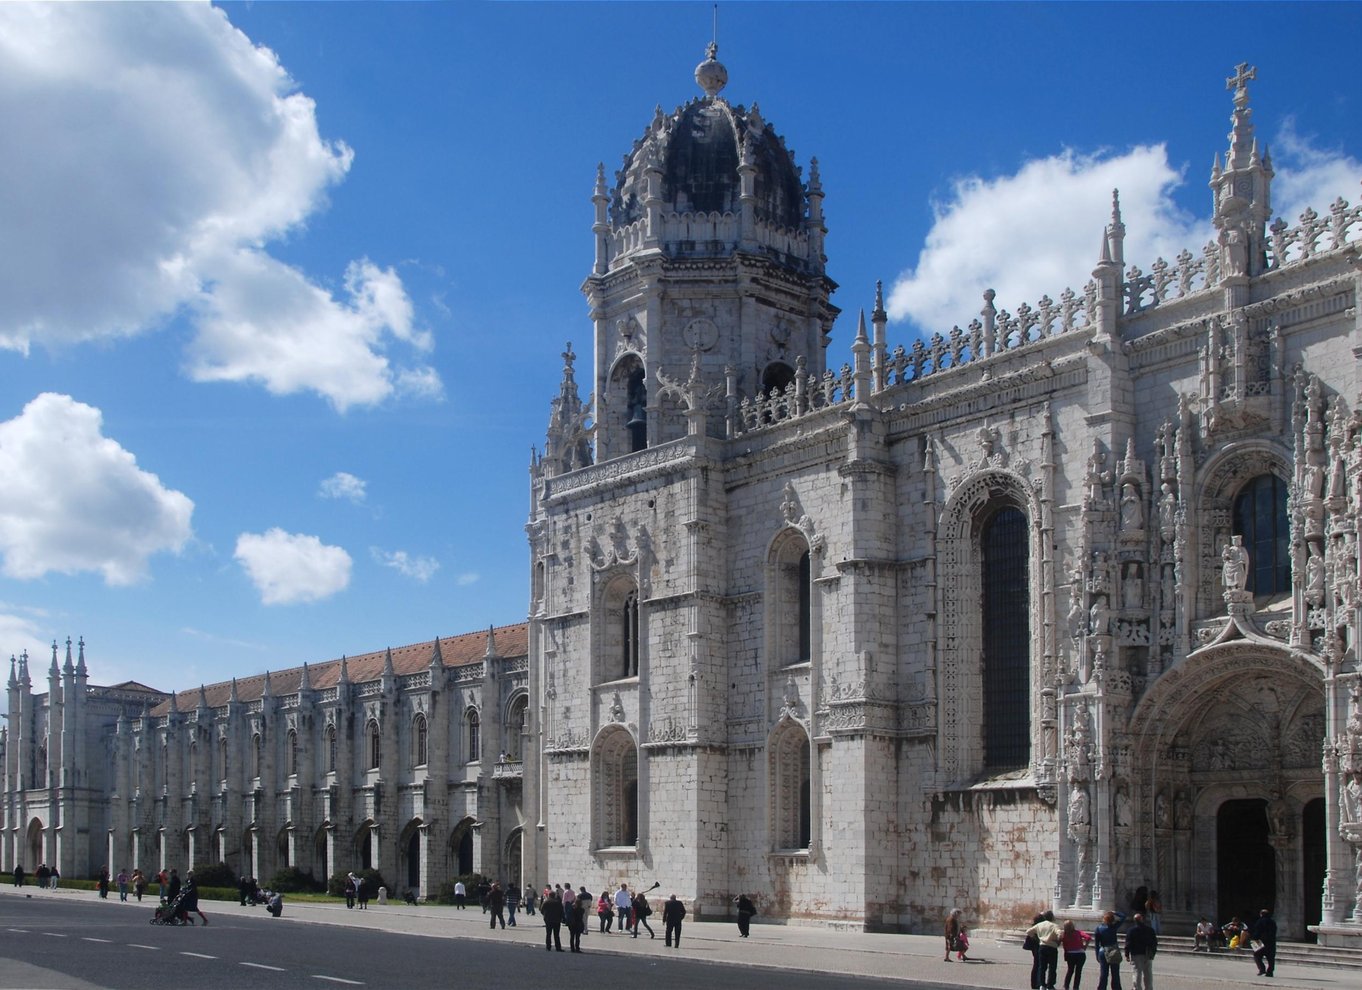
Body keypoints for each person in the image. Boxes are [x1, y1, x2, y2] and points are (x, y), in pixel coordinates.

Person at [1024, 911, 1062, 990]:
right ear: (1052, 917)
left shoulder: (1040, 925)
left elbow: (1028, 931)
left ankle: (1042, 984)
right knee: (1052, 967)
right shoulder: (1054, 925)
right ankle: (1050, 985)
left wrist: (1037, 939)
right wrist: (1058, 940)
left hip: (1042, 946)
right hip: (1052, 947)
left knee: (1042, 967)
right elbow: (1060, 933)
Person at [1093, 910, 1126, 990]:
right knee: (1115, 973)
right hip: (1113, 949)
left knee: (1104, 973)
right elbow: (1123, 916)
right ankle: (1116, 988)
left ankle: (1102, 988)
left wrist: (1097, 955)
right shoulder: (1113, 927)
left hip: (1103, 950)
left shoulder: (1099, 929)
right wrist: (1115, 912)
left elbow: (1097, 944)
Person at [1123, 912, 1156, 990]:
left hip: (1136, 953)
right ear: (1142, 920)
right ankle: (1149, 988)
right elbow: (1154, 942)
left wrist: (1127, 954)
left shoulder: (1131, 930)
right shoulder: (1150, 930)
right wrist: (1153, 952)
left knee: (1137, 972)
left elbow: (1128, 943)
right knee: (1148, 973)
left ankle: (1137, 988)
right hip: (1147, 953)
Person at [1062, 919, 1091, 990]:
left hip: (1070, 954)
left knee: (1070, 970)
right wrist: (1085, 946)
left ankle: (1066, 985)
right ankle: (1076, 987)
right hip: (1080, 954)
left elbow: (1064, 946)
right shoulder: (1078, 932)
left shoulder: (1064, 935)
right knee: (1078, 972)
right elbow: (1088, 937)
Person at [1251, 908, 1277, 977]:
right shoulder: (1273, 922)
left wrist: (1253, 939)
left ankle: (1262, 969)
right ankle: (1270, 972)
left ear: (1261, 914)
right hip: (1271, 942)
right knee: (1271, 958)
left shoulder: (1260, 921)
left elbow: (1257, 932)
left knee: (1257, 956)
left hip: (1260, 942)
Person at [565, 888, 586, 953]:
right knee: (577, 937)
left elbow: (569, 915)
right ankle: (577, 948)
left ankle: (572, 948)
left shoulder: (572, 909)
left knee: (572, 936)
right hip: (579, 924)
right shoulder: (582, 910)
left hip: (572, 924)